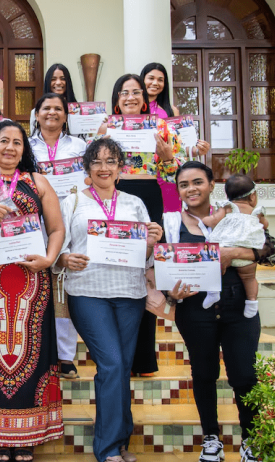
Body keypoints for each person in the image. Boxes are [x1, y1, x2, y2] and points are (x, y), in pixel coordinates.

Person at [0, 120, 65, 462]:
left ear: (24, 149)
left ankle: (27, 435)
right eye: (3, 141)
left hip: (32, 281)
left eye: (17, 143)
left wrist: (49, 259)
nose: (10, 148)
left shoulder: (38, 182)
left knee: (32, 350)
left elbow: (57, 229)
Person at [55, 138, 163, 462]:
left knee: (122, 366)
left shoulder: (134, 204)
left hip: (130, 293)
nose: (104, 168)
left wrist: (151, 243)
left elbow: (145, 258)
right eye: (97, 162)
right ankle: (107, 449)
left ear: (120, 168)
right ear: (86, 168)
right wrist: (65, 259)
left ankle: (119, 441)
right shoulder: (72, 202)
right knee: (112, 363)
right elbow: (58, 245)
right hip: (87, 291)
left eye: (110, 161)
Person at [166, 161, 275, 462]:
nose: (191, 189)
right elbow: (162, 267)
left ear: (211, 184)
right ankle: (211, 439)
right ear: (178, 190)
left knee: (244, 375)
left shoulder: (235, 213)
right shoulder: (171, 223)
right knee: (203, 374)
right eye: (184, 184)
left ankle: (251, 440)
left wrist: (234, 253)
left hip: (238, 306)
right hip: (194, 309)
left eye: (198, 182)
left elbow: (269, 252)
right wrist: (170, 294)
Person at [107, 73, 197, 377]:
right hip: (115, 200)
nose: (130, 97)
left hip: (149, 198)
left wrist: (168, 156)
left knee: (145, 273)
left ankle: (143, 358)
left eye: (136, 92)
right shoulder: (107, 127)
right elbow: (91, 167)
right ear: (117, 100)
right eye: (124, 92)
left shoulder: (161, 127)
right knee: (114, 266)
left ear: (145, 100)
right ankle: (112, 354)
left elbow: (176, 176)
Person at [28, 92, 87, 380]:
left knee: (63, 286)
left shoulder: (79, 145)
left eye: (58, 109)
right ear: (36, 115)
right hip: (33, 219)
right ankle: (36, 350)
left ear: (66, 115)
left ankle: (65, 356)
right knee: (35, 286)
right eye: (46, 108)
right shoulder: (26, 146)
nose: (52, 113)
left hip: (71, 216)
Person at [201, 175, 268, 318]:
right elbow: (265, 225)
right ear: (252, 197)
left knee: (214, 270)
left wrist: (204, 219)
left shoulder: (227, 208)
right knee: (249, 278)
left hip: (224, 248)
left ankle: (212, 292)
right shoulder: (255, 212)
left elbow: (214, 221)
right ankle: (252, 302)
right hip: (247, 252)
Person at [30, 64, 78, 131]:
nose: (58, 82)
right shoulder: (36, 112)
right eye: (53, 79)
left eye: (63, 79)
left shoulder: (78, 111)